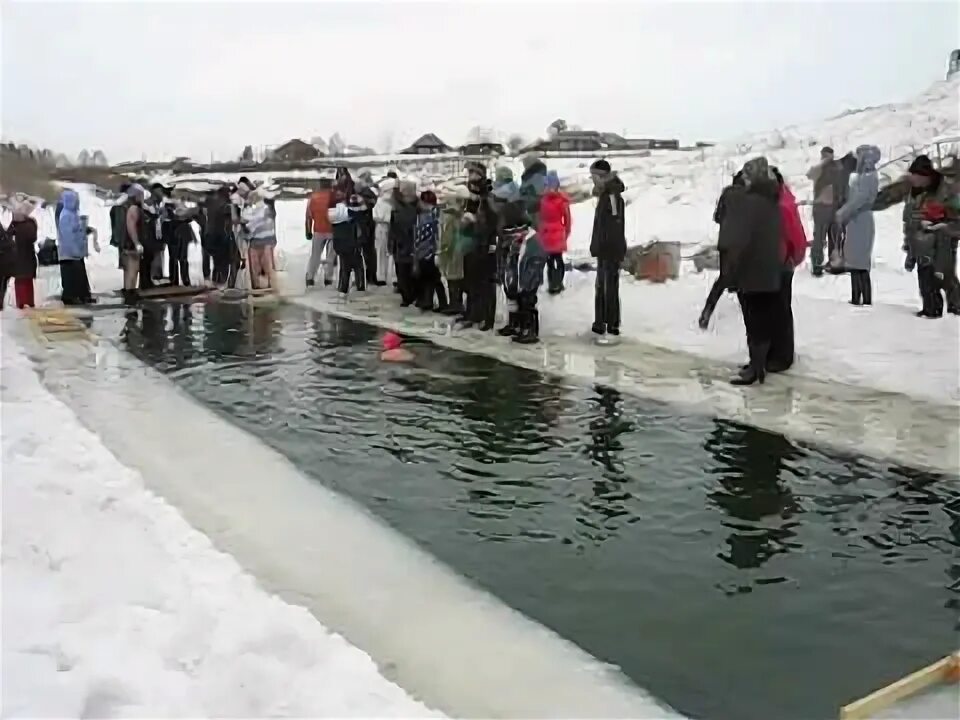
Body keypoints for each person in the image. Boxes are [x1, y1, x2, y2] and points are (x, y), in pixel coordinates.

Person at [717, 157, 782, 385]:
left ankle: (755, 370)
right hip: (769, 269)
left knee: (753, 322)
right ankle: (759, 366)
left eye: (745, 176)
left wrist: (731, 271)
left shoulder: (749, 203)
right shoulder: (772, 199)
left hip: (751, 269)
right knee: (763, 320)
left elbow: (739, 239)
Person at [903, 154, 960, 317]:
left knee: (945, 276)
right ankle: (931, 309)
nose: (913, 180)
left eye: (916, 177)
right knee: (925, 278)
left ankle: (954, 309)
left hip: (942, 241)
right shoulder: (914, 193)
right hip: (921, 242)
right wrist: (909, 245)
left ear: (925, 176)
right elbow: (910, 220)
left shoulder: (945, 190)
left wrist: (942, 225)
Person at [768, 167, 807, 372]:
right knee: (772, 309)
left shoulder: (783, 205)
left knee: (780, 310)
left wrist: (794, 258)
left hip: (782, 263)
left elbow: (795, 235)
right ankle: (773, 352)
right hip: (773, 262)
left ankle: (783, 357)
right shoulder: (776, 201)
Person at [835, 145, 881, 306]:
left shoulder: (869, 177)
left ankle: (863, 298)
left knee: (859, 261)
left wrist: (843, 213)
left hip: (861, 220)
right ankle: (858, 295)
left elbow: (859, 199)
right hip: (856, 220)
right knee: (856, 260)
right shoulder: (862, 176)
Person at [700, 171, 745, 329]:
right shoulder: (750, 196)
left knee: (725, 277)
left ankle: (707, 311)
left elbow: (717, 217)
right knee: (742, 276)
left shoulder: (727, 193)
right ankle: (748, 311)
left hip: (725, 242)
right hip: (742, 243)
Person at [588, 159, 626, 341]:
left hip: (611, 250)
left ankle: (612, 327)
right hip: (604, 249)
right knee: (601, 287)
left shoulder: (612, 196)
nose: (592, 180)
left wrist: (605, 246)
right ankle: (599, 323)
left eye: (594, 176)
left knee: (609, 288)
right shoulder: (606, 195)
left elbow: (614, 226)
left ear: (602, 176)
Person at [460, 166, 498, 330]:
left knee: (485, 283)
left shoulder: (488, 197)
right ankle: (472, 313)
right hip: (470, 242)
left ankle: (486, 318)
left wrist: (475, 221)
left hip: (485, 244)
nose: (470, 178)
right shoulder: (469, 197)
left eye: (473, 174)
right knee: (470, 280)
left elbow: (492, 222)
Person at [56, 189, 95, 305]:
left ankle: (83, 295)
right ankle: (71, 297)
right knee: (72, 276)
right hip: (70, 253)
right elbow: (68, 237)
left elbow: (77, 232)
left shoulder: (73, 215)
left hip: (76, 252)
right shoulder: (66, 216)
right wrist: (75, 251)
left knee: (80, 275)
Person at [806, 146, 840, 276]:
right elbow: (809, 174)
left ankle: (824, 265)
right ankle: (824, 264)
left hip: (828, 208)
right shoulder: (826, 168)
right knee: (826, 237)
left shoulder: (832, 168)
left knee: (827, 237)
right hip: (827, 208)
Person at [413, 190, 446, 311]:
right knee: (431, 278)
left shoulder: (429, 217)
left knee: (431, 278)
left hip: (428, 251)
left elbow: (426, 236)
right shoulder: (434, 214)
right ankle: (431, 301)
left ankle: (435, 302)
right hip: (429, 251)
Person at [539, 170, 571, 294]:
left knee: (550, 260)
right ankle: (559, 283)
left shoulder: (543, 200)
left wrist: (542, 233)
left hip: (547, 232)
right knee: (558, 258)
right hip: (558, 232)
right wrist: (566, 233)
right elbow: (567, 219)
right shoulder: (562, 200)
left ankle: (552, 283)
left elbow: (540, 218)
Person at [437, 189, 468, 316]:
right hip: (460, 249)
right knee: (456, 278)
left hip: (452, 250)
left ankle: (454, 304)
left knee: (452, 279)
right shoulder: (461, 216)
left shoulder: (450, 218)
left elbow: (447, 237)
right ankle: (457, 303)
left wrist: (443, 249)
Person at [241, 190, 279, 290]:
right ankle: (270, 286)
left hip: (257, 240)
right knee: (267, 266)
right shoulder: (265, 209)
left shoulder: (255, 211)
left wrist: (249, 226)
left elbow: (247, 224)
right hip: (265, 240)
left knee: (256, 266)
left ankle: (257, 286)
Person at [389, 180, 419, 306]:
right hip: (408, 244)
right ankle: (411, 295)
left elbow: (394, 228)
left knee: (404, 271)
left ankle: (408, 296)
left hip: (403, 244)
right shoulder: (417, 207)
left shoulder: (399, 208)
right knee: (407, 271)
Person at [329, 192, 362, 298]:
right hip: (349, 242)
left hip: (338, 242)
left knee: (343, 265)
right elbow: (357, 217)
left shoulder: (332, 212)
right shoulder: (348, 211)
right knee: (354, 265)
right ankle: (353, 287)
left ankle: (342, 287)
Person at [305, 178, 337, 288]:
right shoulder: (335, 197)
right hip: (333, 230)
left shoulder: (313, 198)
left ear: (320, 185)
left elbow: (308, 216)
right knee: (331, 256)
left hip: (318, 230)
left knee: (315, 256)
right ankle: (328, 279)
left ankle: (310, 278)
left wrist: (308, 231)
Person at [118, 184, 147, 304]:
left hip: (130, 243)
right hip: (131, 244)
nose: (142, 197)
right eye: (140, 195)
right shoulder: (134, 209)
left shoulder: (130, 207)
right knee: (133, 269)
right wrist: (137, 243)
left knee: (130, 269)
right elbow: (131, 227)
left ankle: (128, 291)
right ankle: (130, 293)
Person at [7, 202, 38, 309]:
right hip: (27, 255)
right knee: (26, 279)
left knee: (21, 280)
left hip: (19, 256)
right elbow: (33, 238)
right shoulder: (30, 223)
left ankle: (22, 301)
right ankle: (29, 300)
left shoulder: (15, 226)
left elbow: (8, 237)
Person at [355, 176, 381, 286]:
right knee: (368, 254)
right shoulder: (368, 195)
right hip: (366, 226)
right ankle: (369, 278)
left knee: (360, 254)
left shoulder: (355, 197)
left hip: (361, 227)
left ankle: (361, 279)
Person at [372, 179, 395, 286]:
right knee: (389, 252)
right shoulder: (391, 202)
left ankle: (381, 276)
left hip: (382, 227)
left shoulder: (380, 201)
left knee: (381, 252)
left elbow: (375, 216)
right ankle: (392, 277)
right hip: (387, 227)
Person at [167, 200, 195, 287]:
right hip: (174, 230)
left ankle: (181, 279)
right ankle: (177, 279)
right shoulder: (169, 205)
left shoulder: (181, 206)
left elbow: (190, 217)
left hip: (180, 230)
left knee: (182, 257)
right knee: (175, 257)